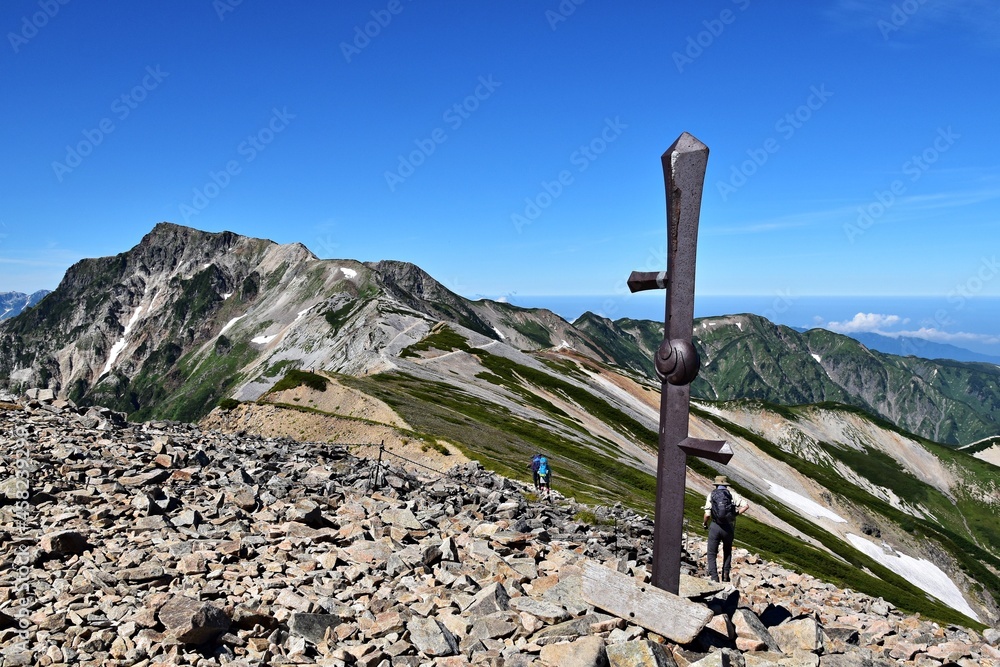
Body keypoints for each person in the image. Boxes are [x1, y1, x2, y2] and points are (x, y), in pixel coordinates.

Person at [702, 475, 750, 583]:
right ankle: (725, 575)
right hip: (728, 527)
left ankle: (714, 577)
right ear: (726, 485)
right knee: (727, 551)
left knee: (711, 553)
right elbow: (746, 506)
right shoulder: (732, 495)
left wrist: (705, 523)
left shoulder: (711, 495)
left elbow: (707, 515)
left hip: (715, 526)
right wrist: (735, 515)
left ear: (717, 485)